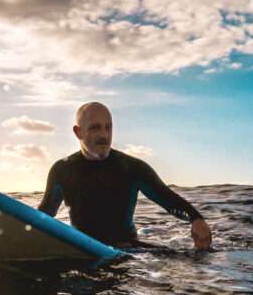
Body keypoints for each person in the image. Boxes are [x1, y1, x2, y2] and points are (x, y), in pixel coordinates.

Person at [37, 102, 213, 250]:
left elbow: (167, 198)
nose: (104, 135)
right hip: (83, 249)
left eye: (108, 127)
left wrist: (196, 219)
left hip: (128, 251)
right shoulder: (62, 170)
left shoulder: (131, 168)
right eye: (95, 128)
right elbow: (44, 215)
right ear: (78, 132)